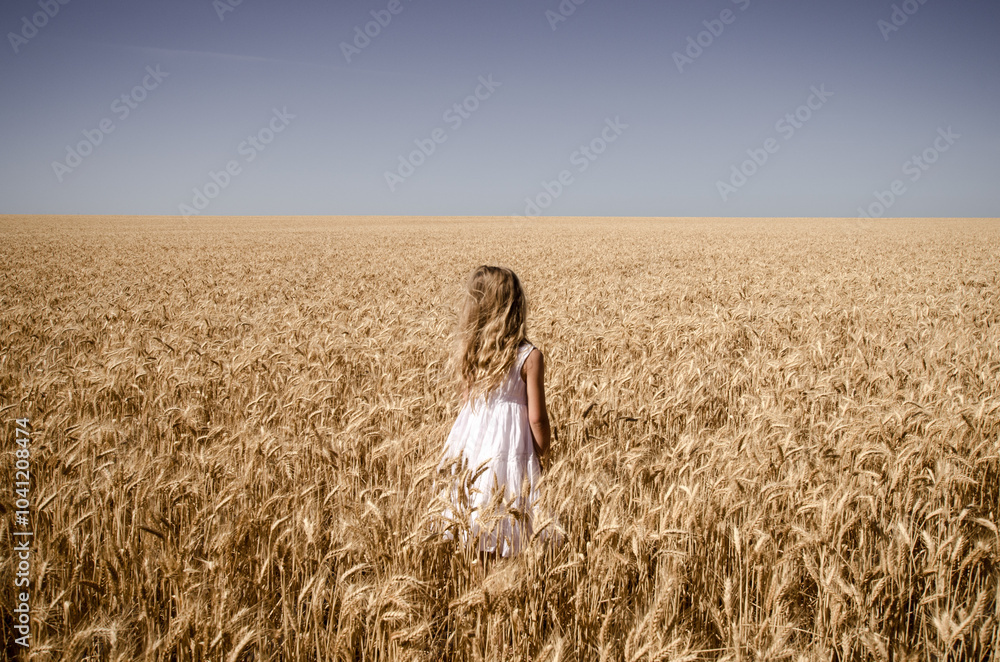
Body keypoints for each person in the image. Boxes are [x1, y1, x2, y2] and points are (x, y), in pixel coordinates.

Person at [437, 265, 552, 558]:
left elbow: (466, 402)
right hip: (511, 444)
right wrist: (546, 457)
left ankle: (478, 575)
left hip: (473, 442)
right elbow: (537, 418)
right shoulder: (529, 355)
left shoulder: (472, 350)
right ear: (516, 307)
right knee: (512, 513)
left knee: (474, 513)